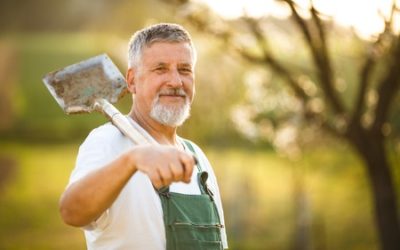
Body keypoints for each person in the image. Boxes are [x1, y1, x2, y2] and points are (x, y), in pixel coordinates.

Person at [59, 23, 228, 250]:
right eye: (160, 69)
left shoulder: (197, 159)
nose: (176, 81)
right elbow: (71, 211)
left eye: (185, 70)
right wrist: (133, 159)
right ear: (131, 80)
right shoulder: (108, 141)